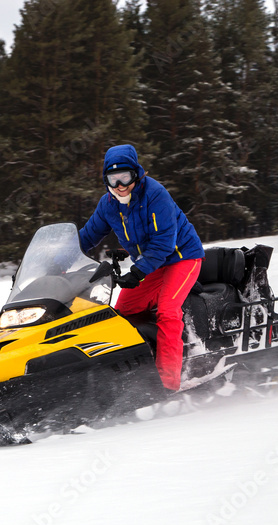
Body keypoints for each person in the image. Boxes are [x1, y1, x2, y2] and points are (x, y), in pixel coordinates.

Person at [78, 144, 204, 392]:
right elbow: (87, 237)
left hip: (182, 257)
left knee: (167, 311)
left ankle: (168, 384)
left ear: (136, 173)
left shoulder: (156, 195)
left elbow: (164, 242)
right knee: (122, 313)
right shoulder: (108, 204)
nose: (120, 185)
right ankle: (131, 373)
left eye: (125, 177)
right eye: (113, 179)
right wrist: (58, 258)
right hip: (152, 262)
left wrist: (138, 272)